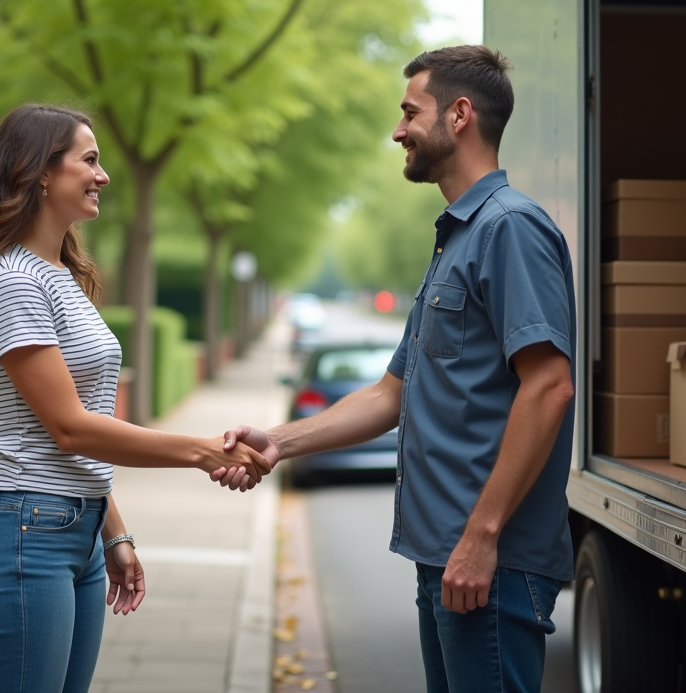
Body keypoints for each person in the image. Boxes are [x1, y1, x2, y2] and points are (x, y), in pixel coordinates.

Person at [216, 46, 577, 693]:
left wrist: (481, 536)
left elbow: (549, 386)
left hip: (486, 562)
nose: (398, 129)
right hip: (443, 555)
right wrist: (279, 442)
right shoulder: (459, 238)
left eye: (411, 111)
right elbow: (391, 394)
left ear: (460, 115)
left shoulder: (511, 230)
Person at [0, 103, 271, 693]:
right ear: (39, 171)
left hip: (73, 530)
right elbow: (71, 429)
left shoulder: (57, 272)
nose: (103, 175)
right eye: (89, 160)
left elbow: (75, 432)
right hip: (23, 536)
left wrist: (112, 530)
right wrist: (203, 450)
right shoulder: (11, 279)